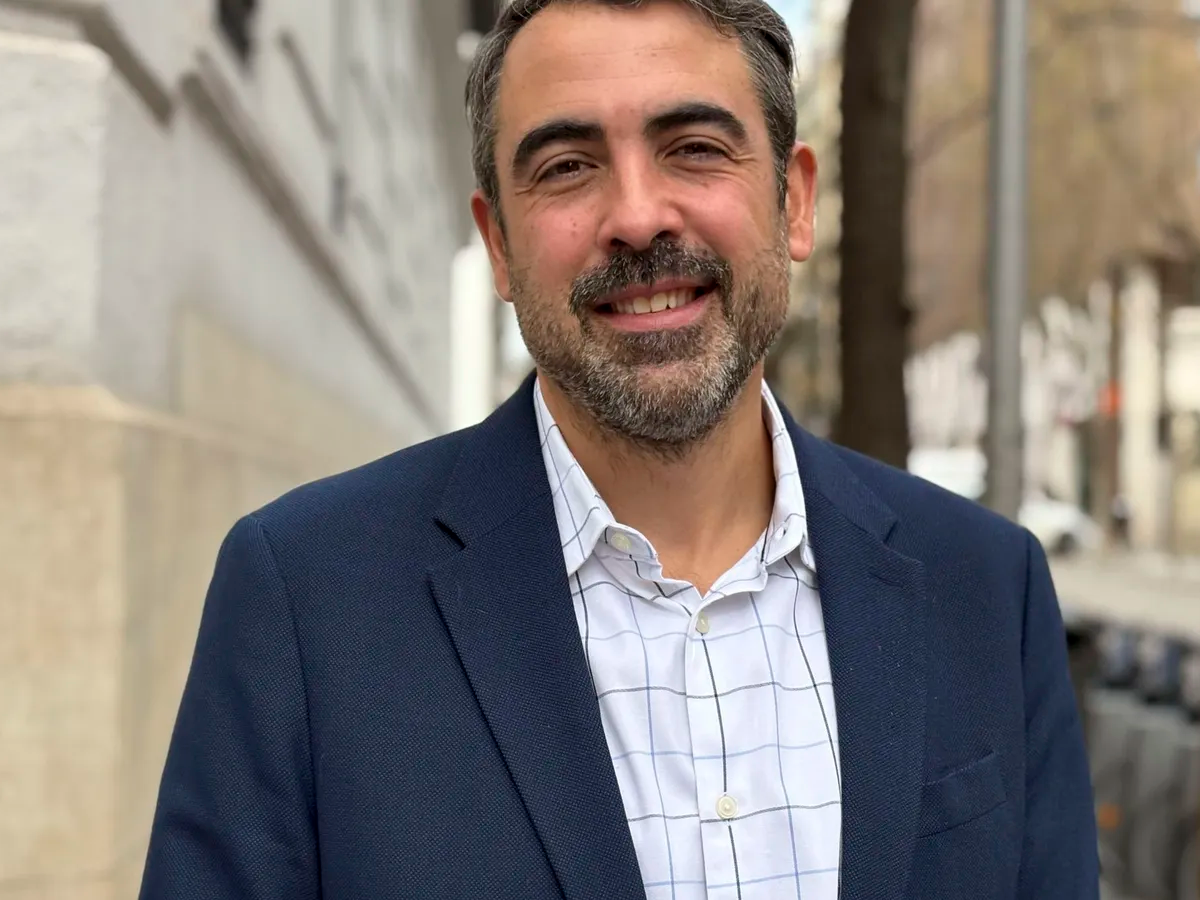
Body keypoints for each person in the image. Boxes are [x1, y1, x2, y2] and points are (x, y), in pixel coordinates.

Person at [138, 1, 1099, 897]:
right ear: (501, 247)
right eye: (567, 166)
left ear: (795, 203)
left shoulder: (986, 588)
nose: (637, 216)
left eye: (693, 148)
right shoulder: (307, 602)